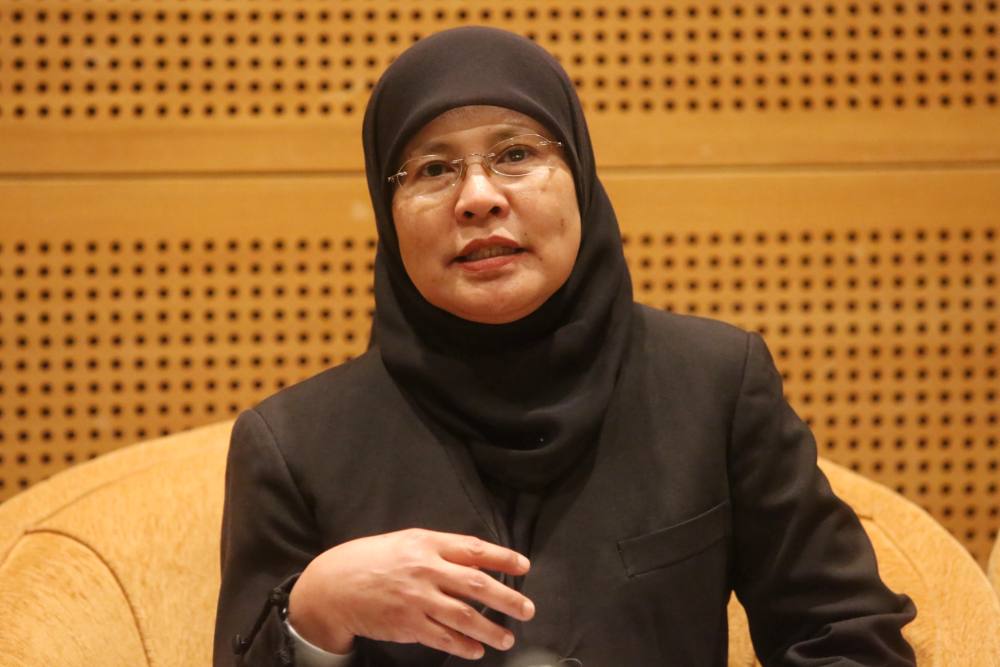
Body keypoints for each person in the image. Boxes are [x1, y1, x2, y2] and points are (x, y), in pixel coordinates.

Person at [213, 26, 917, 666]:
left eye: (516, 153)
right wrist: (316, 611)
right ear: (386, 212)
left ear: (578, 174)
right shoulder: (294, 445)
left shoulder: (714, 385)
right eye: (433, 169)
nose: (478, 197)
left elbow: (849, 637)